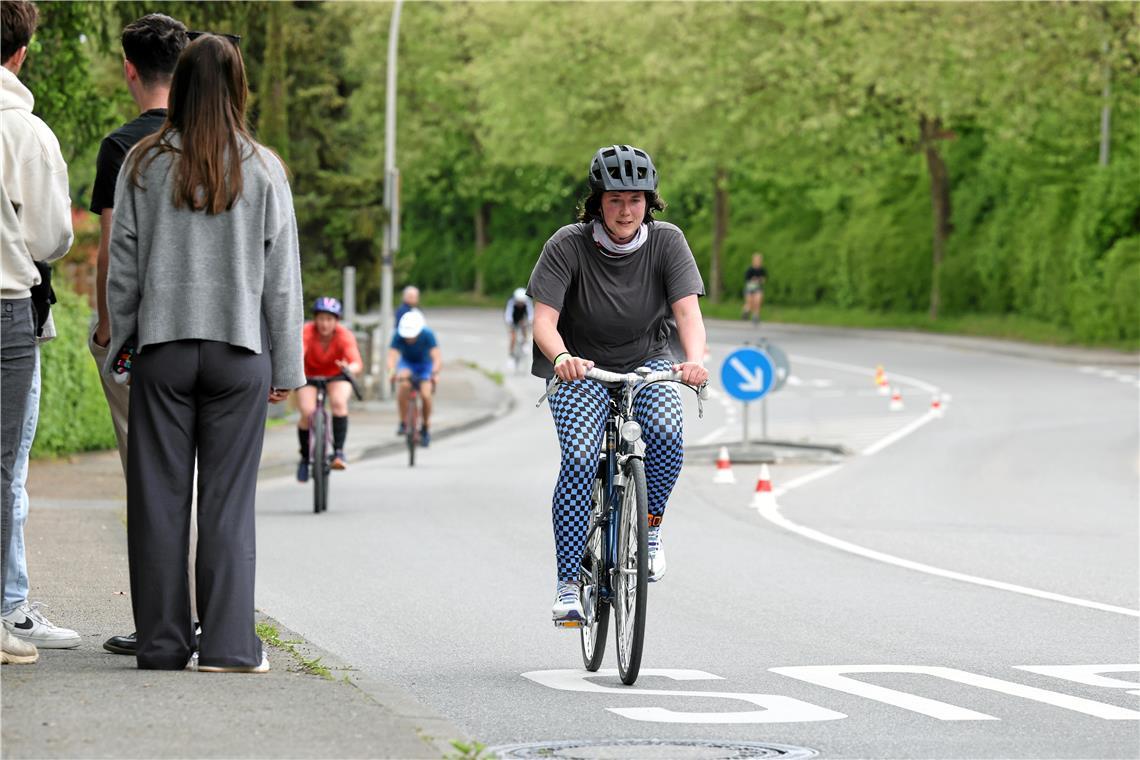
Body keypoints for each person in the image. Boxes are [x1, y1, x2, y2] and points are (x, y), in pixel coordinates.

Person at [105, 33, 304, 672]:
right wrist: (289, 367)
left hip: (163, 351)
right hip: (239, 353)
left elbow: (122, 272)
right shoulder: (265, 167)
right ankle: (227, 648)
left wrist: (121, 346)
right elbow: (282, 279)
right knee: (226, 502)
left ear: (182, 86)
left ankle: (162, 645)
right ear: (240, 89)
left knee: (159, 502)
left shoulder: (143, 162)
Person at [527, 144, 708, 625]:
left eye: (635, 199)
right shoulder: (566, 245)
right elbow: (542, 321)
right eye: (614, 200)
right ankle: (568, 585)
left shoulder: (668, 243)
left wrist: (693, 362)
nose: (625, 210)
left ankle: (649, 528)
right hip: (579, 368)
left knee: (667, 433)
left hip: (648, 364)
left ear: (649, 202)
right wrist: (562, 356)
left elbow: (688, 312)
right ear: (597, 203)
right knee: (582, 456)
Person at [86, 12, 190, 659]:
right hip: (207, 334)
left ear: (129, 69)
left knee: (147, 480)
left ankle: (159, 620)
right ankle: (211, 614)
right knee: (200, 480)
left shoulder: (122, 147)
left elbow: (108, 251)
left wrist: (105, 331)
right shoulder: (212, 138)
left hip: (139, 341)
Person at [0, 0, 75, 665]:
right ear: (20, 53)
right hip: (5, 308)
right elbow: (53, 237)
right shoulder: (27, 134)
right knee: (5, 464)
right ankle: (7, 608)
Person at [296, 296, 363, 479]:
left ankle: (339, 452)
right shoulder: (307, 332)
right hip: (309, 376)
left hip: (336, 376)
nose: (325, 324)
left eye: (329, 319)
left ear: (336, 321)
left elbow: (356, 362)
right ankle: (304, 457)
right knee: (307, 412)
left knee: (339, 403)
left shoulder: (344, 335)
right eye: (321, 318)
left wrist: (349, 368)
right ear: (315, 319)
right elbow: (300, 349)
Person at [387, 310, 441, 447]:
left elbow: (436, 357)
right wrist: (392, 372)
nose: (409, 339)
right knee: (404, 386)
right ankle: (403, 421)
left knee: (426, 394)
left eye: (412, 336)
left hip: (425, 365)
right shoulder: (398, 335)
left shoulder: (428, 334)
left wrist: (435, 373)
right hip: (407, 364)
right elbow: (392, 356)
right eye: (407, 336)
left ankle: (425, 425)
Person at [504, 287, 533, 366]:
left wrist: (530, 321)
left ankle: (525, 343)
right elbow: (508, 314)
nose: (520, 304)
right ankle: (511, 356)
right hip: (513, 319)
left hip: (521, 318)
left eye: (522, 302)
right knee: (513, 337)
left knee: (524, 327)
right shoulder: (511, 301)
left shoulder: (527, 301)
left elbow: (530, 313)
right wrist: (509, 323)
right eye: (518, 302)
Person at [742, 252, 767, 325]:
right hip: (749, 289)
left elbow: (764, 279)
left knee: (758, 301)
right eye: (756, 260)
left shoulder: (762, 270)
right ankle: (746, 311)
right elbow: (746, 279)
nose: (758, 262)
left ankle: (756, 316)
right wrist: (753, 280)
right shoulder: (750, 269)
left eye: (759, 260)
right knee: (750, 303)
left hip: (758, 288)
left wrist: (760, 280)